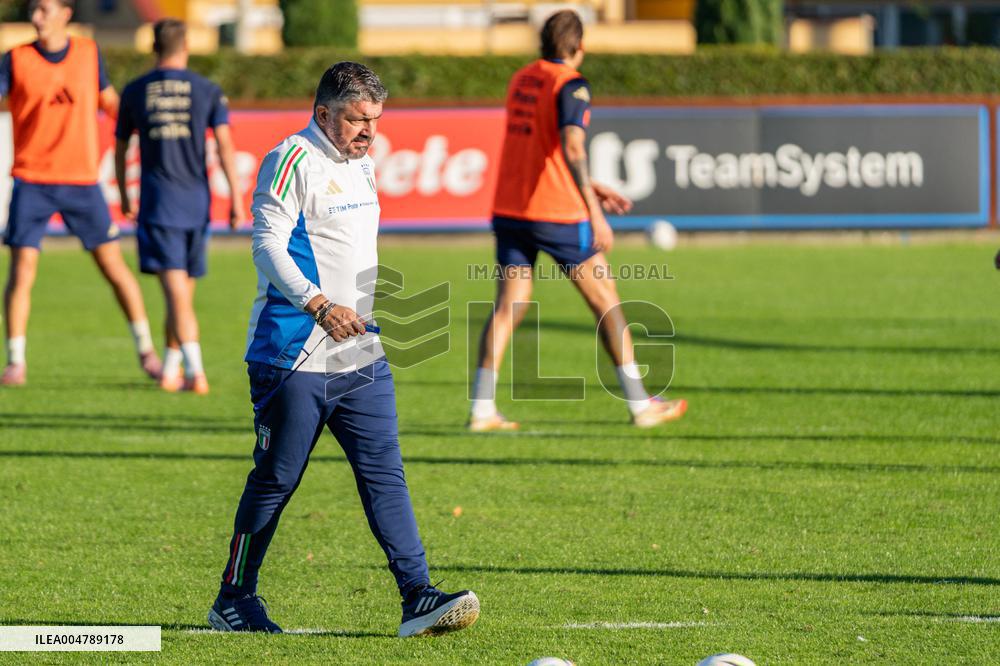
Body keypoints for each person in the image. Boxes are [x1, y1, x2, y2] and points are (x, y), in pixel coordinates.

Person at [208, 62, 480, 637]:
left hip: (362, 355)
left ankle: (417, 597)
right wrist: (319, 305)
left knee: (386, 474)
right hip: (293, 354)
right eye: (357, 120)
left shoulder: (364, 165)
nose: (368, 132)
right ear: (323, 112)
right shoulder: (291, 159)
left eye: (375, 121)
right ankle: (233, 598)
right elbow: (265, 244)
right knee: (277, 479)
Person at [468, 9, 687, 431]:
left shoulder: (523, 78)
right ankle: (642, 405)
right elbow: (571, 146)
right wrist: (593, 207)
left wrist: (594, 185)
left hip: (511, 209)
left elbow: (542, 147)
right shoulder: (572, 84)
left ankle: (481, 409)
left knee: (508, 307)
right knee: (606, 301)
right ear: (579, 47)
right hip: (557, 214)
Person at [0, 0, 160, 386]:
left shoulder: (89, 54)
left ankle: (147, 351)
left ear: (65, 13)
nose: (36, 17)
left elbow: (110, 102)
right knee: (21, 272)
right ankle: (16, 361)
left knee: (114, 269)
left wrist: (140, 125)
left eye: (44, 9)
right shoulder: (15, 59)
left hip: (81, 182)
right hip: (31, 179)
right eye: (34, 10)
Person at [115, 19, 246, 394]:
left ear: (153, 47)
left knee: (175, 294)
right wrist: (236, 199)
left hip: (160, 204)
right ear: (185, 45)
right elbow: (224, 145)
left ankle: (195, 370)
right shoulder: (206, 89)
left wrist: (125, 195)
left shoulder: (136, 90)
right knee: (181, 294)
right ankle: (171, 369)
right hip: (197, 204)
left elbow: (121, 147)